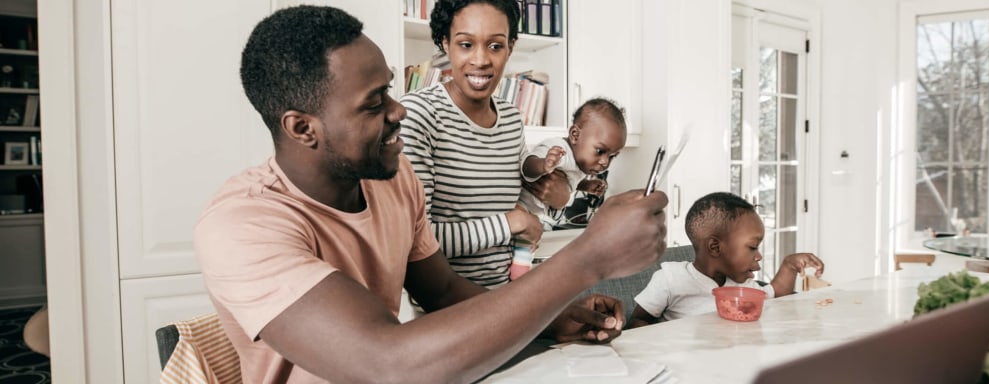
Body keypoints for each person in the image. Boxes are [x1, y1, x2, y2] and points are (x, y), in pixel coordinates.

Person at [194, 5, 669, 383]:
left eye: (391, 91)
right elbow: (386, 364)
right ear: (303, 128)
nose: (400, 111)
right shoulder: (241, 226)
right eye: (374, 103)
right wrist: (588, 259)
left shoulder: (395, 182)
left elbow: (442, 290)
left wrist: (551, 318)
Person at [400, 0, 573, 287]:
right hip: (447, 310)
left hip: (510, 298)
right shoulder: (419, 114)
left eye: (495, 46)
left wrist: (559, 199)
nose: (480, 60)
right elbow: (416, 241)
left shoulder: (511, 118)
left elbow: (527, 204)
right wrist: (510, 223)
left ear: (511, 47)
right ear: (445, 44)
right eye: (466, 44)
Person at [629, 192, 823, 328]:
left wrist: (789, 265)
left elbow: (776, 292)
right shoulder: (671, 279)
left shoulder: (744, 287)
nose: (759, 256)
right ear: (715, 247)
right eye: (752, 247)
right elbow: (638, 322)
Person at [518, 98, 627, 230]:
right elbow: (526, 166)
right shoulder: (559, 150)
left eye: (612, 156)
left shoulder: (579, 166)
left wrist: (586, 186)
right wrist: (542, 165)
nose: (605, 162)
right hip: (520, 211)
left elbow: (571, 182)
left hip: (536, 220)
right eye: (600, 151)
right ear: (575, 135)